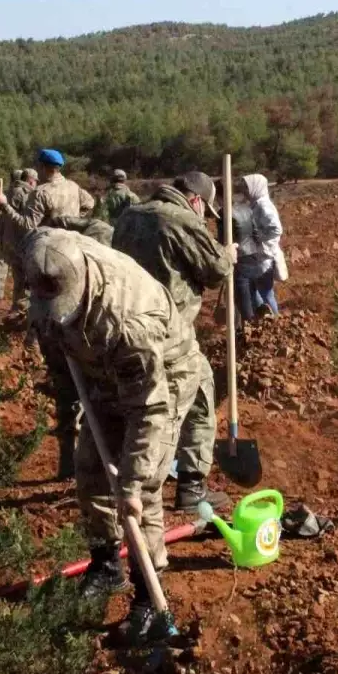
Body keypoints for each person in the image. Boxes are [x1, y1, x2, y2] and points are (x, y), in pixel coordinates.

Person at [23, 227, 198, 644]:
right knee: (91, 470)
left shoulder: (129, 322)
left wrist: (134, 482)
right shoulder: (46, 251)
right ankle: (106, 565)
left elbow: (148, 409)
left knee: (144, 492)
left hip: (162, 379)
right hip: (100, 371)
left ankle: (146, 597)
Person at [113, 171, 238, 512]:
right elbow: (217, 271)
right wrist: (228, 254)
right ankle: (190, 488)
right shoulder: (179, 219)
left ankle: (127, 479)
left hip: (127, 329)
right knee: (199, 398)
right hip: (170, 333)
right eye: (204, 210)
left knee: (137, 405)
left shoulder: (129, 215)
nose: (203, 217)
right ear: (196, 200)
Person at [0, 149, 82, 236]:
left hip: (50, 240)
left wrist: (4, 205)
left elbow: (28, 225)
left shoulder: (40, 192)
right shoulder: (74, 186)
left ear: (42, 167)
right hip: (73, 236)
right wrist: (72, 219)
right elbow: (90, 203)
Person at [233, 173, 284, 322]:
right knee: (256, 292)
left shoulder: (263, 205)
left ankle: (275, 324)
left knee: (266, 293)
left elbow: (276, 229)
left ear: (256, 188)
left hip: (264, 258)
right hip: (258, 257)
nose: (246, 191)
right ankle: (264, 323)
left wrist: (257, 238)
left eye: (248, 188)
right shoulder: (255, 203)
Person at [0, 168, 38, 322]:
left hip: (5, 239)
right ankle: (19, 310)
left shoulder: (5, 194)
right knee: (22, 279)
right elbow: (27, 221)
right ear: (30, 180)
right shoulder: (26, 195)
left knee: (0, 273)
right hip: (20, 242)